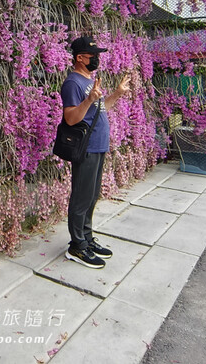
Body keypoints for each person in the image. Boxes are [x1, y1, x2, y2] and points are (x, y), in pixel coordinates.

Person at [61, 35, 131, 268]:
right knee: (81, 197)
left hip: (99, 145)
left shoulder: (89, 81)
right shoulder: (73, 83)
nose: (97, 59)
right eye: (93, 56)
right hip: (86, 147)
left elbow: (101, 109)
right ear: (80, 57)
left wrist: (117, 94)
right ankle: (77, 246)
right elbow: (71, 118)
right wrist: (89, 99)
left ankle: (87, 238)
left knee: (92, 196)